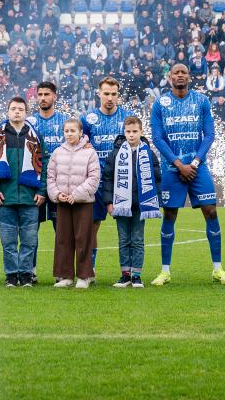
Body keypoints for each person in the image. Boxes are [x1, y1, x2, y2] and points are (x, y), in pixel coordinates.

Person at [149, 63, 225, 285]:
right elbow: (157, 138)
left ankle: (218, 269)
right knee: (169, 215)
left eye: (183, 72)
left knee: (211, 212)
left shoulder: (201, 101)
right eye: (176, 73)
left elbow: (210, 135)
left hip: (197, 167)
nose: (180, 75)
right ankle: (165, 271)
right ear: (170, 77)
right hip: (172, 168)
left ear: (189, 77)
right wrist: (179, 164)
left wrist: (194, 163)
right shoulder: (160, 103)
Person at [0, 96, 47, 287]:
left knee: (29, 241)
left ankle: (27, 275)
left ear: (26, 112)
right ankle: (12, 275)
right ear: (8, 112)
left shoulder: (35, 136)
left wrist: (42, 191)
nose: (17, 112)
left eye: (20, 109)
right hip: (5, 197)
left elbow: (44, 164)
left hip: (30, 198)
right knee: (8, 242)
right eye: (13, 109)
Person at [80, 77, 131, 278]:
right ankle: (90, 269)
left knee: (126, 227)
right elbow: (81, 148)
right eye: (106, 93)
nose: (110, 98)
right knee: (92, 226)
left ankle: (128, 271)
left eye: (114, 94)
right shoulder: (87, 119)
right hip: (96, 183)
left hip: (122, 182)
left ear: (118, 95)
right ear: (99, 94)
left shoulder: (127, 118)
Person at [101, 116, 160, 288]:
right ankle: (125, 275)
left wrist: (154, 200)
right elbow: (108, 179)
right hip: (120, 205)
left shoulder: (148, 153)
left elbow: (157, 178)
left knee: (137, 240)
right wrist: (108, 202)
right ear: (124, 132)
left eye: (135, 131)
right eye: (128, 132)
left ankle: (136, 276)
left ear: (141, 132)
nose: (131, 135)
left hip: (141, 205)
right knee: (124, 240)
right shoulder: (116, 153)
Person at [48, 118, 100, 288]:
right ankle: (65, 276)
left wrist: (76, 195)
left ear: (80, 133)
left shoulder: (90, 152)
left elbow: (94, 178)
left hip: (83, 202)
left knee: (83, 239)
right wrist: (57, 194)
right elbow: (50, 177)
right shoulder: (57, 152)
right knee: (63, 239)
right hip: (63, 202)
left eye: (73, 131)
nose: (69, 134)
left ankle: (84, 276)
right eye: (66, 131)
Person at [27, 81, 68, 228]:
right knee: (31, 230)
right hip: (35, 181)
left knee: (61, 229)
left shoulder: (65, 121)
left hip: (60, 181)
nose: (43, 98)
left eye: (46, 94)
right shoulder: (29, 123)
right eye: (40, 94)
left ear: (54, 97)